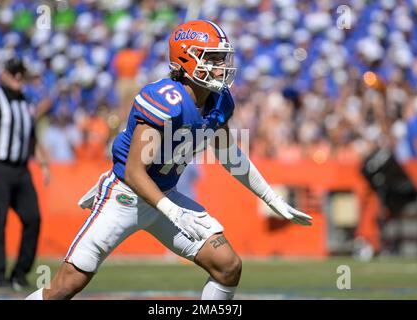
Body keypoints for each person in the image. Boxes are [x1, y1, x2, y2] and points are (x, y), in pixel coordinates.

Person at [26, 20, 312, 300]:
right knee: (65, 287)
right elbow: (135, 172)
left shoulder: (220, 101)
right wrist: (174, 213)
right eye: (212, 58)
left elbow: (229, 156)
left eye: (222, 58)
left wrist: (271, 198)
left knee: (228, 266)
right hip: (125, 196)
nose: (221, 66)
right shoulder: (167, 100)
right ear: (186, 60)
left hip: (165, 196)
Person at [0, 57, 50, 290]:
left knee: (33, 218)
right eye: (13, 72)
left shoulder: (26, 102)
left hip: (21, 169)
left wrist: (43, 164)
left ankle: (20, 273)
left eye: (20, 73)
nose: (17, 77)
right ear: (4, 74)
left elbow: (31, 137)